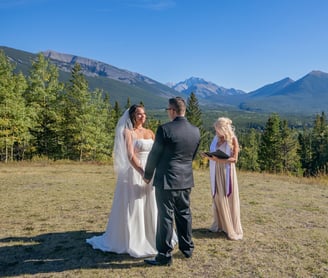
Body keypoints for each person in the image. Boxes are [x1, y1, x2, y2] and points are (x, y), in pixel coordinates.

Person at [86, 104, 158, 258]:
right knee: (134, 205)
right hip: (136, 171)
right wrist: (143, 173)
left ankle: (153, 235)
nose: (143, 116)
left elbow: (157, 152)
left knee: (150, 203)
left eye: (144, 113)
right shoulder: (128, 132)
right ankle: (134, 239)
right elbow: (131, 156)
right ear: (132, 116)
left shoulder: (150, 132)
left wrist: (154, 170)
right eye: (139, 114)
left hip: (152, 170)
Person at [143, 97, 200, 266]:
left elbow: (155, 155)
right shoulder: (195, 130)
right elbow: (192, 156)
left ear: (173, 111)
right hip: (186, 178)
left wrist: (147, 174)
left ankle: (164, 255)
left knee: (166, 217)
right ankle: (187, 248)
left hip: (166, 179)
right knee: (184, 214)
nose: (168, 112)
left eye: (168, 110)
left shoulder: (164, 129)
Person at [205, 117, 243, 240]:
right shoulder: (216, 139)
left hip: (227, 172)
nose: (216, 132)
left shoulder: (232, 140)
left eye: (217, 129)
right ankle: (220, 224)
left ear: (223, 129)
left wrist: (219, 160)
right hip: (216, 170)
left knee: (226, 197)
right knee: (217, 197)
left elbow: (234, 159)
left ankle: (230, 226)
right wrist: (209, 156)